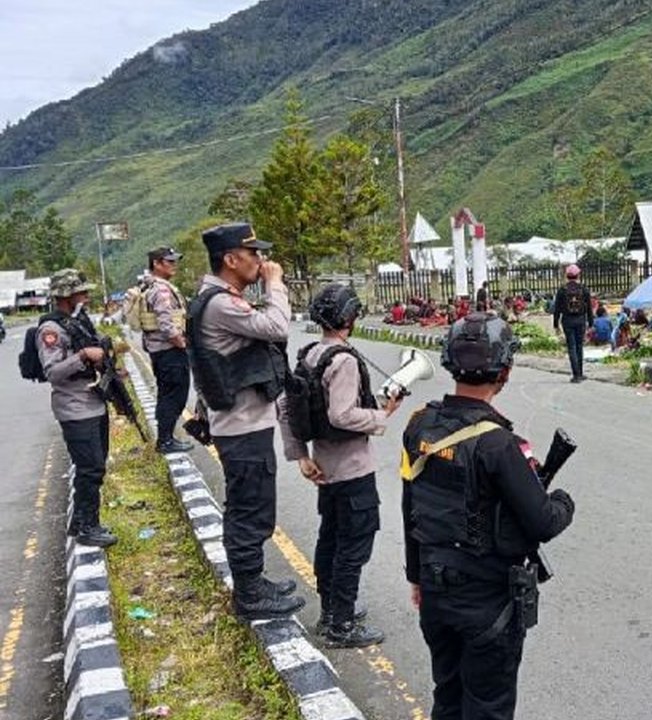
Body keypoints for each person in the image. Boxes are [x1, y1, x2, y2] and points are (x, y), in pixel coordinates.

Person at [402, 313, 575, 720]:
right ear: (506, 370)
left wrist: (416, 577)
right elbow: (544, 522)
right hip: (487, 602)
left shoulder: (418, 426)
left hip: (435, 590)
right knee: (488, 707)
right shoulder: (498, 444)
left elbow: (410, 507)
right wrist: (564, 500)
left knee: (448, 696)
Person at [187, 222, 304, 619]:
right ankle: (249, 594)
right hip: (241, 427)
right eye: (253, 254)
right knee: (249, 509)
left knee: (253, 505)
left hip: (243, 422)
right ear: (230, 259)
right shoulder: (220, 303)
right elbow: (276, 326)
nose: (261, 260)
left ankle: (253, 580)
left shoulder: (221, 297)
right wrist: (275, 284)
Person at [279, 285, 401, 647]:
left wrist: (301, 455)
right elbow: (342, 414)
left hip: (324, 467)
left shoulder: (310, 354)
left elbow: (286, 408)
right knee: (353, 547)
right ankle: (341, 626)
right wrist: (381, 414)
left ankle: (331, 611)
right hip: (352, 470)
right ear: (350, 317)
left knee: (330, 540)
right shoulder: (344, 360)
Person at [39, 269, 117, 547]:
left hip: (94, 402)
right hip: (74, 408)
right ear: (66, 295)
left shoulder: (79, 321)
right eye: (80, 292)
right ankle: (87, 527)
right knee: (90, 468)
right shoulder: (51, 330)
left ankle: (82, 521)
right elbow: (53, 372)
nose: (86, 296)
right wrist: (83, 356)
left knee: (96, 466)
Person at [142, 247, 194, 454]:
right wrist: (182, 344)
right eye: (169, 261)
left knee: (167, 394)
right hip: (169, 351)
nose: (174, 265)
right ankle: (165, 441)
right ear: (156, 263)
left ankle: (166, 438)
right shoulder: (161, 290)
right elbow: (167, 325)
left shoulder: (152, 286)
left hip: (161, 351)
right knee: (174, 396)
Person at [552, 264, 591, 383]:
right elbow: (589, 307)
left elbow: (557, 309)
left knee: (572, 347)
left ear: (567, 276)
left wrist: (556, 324)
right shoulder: (583, 289)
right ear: (578, 275)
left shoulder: (562, 290)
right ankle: (581, 373)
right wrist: (591, 322)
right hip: (581, 320)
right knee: (579, 347)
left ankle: (576, 375)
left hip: (567, 321)